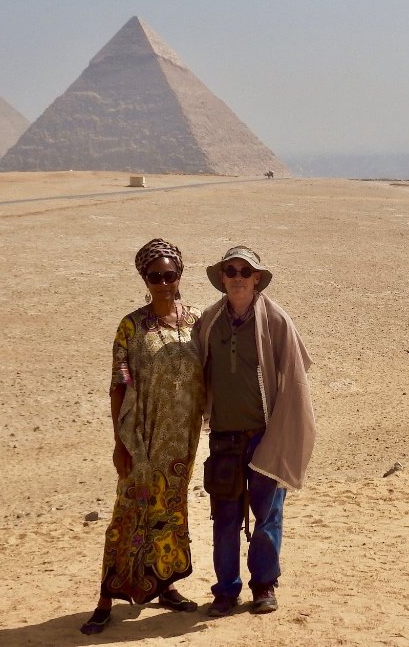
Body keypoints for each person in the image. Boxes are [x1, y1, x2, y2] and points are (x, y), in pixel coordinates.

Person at [80, 239, 205, 635]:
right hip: (141, 439)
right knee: (128, 513)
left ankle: (164, 584)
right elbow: (119, 385)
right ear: (144, 278)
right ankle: (105, 596)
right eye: (156, 276)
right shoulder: (132, 327)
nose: (164, 283)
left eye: (171, 275)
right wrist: (119, 442)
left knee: (171, 510)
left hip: (181, 439)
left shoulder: (198, 322)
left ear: (180, 274)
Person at [192, 245, 316, 617]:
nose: (237, 277)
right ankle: (226, 591)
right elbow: (194, 372)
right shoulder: (210, 320)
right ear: (223, 278)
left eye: (245, 271)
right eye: (230, 271)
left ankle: (263, 585)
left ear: (256, 278)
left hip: (265, 435)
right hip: (225, 438)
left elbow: (295, 379)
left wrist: (284, 433)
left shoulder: (276, 320)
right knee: (224, 518)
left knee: (268, 515)